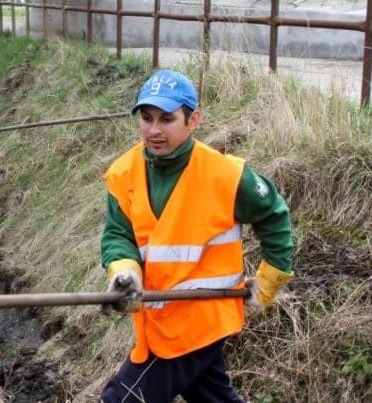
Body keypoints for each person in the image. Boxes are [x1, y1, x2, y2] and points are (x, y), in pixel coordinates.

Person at [99, 69, 295, 402]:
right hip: (160, 320)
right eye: (146, 118)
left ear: (193, 120)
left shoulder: (226, 175)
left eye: (167, 119)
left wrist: (269, 281)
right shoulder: (123, 173)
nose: (154, 130)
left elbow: (273, 215)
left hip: (201, 319)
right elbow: (119, 234)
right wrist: (124, 273)